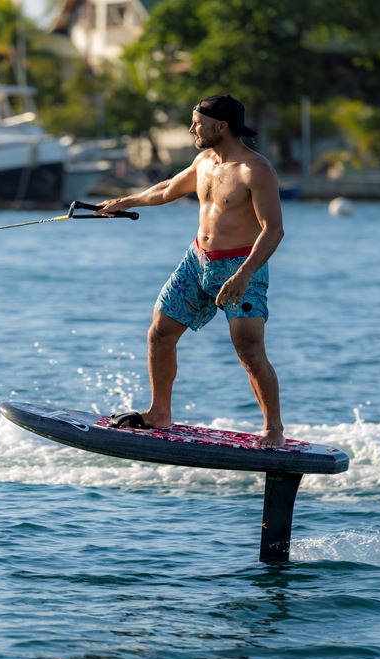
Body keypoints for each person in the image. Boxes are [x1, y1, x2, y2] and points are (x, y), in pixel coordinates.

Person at [95, 94, 286, 448]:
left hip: (241, 265)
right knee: (159, 333)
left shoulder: (254, 170)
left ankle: (273, 429)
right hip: (197, 260)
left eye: (197, 122)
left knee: (249, 350)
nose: (191, 128)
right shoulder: (204, 162)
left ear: (221, 126)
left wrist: (243, 275)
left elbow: (273, 229)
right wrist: (125, 201)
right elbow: (167, 189)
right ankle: (159, 412)